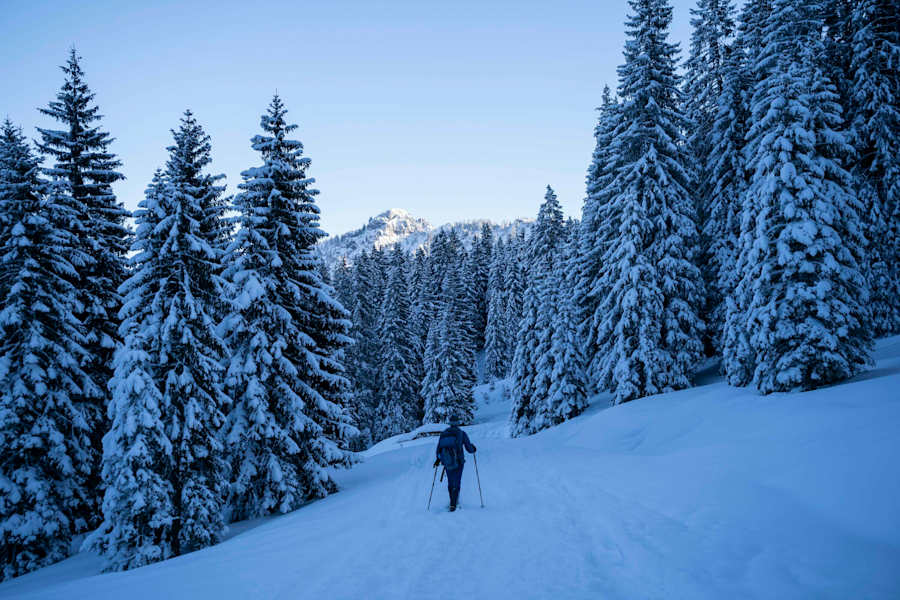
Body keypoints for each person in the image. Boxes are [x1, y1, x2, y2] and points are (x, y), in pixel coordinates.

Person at [433, 415, 477, 511]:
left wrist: (438, 459)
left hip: (447, 462)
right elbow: (469, 449)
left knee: (450, 481)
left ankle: (452, 501)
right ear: (457, 423)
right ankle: (453, 503)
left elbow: (439, 449)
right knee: (457, 482)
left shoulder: (444, 434)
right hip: (459, 462)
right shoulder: (461, 433)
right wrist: (473, 448)